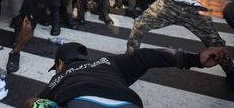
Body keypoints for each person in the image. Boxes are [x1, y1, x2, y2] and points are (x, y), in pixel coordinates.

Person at [25, 42, 232, 108]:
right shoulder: (109, 62)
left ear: (60, 64)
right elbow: (147, 56)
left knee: (31, 101)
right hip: (127, 103)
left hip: (81, 102)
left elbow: (38, 102)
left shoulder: (58, 78)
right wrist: (195, 59)